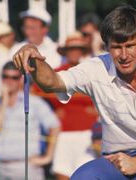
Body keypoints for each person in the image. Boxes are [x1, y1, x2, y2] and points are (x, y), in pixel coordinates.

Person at [13, 5, 136, 180]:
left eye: (130, 46)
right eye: (116, 47)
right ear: (106, 47)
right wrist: (32, 55)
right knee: (83, 177)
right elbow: (52, 82)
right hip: (117, 161)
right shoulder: (96, 67)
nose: (123, 55)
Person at [33, 31, 99, 180]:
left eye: (78, 48)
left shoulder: (90, 72)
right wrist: (51, 111)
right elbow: (35, 93)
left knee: (86, 174)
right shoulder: (56, 73)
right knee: (62, 174)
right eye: (71, 49)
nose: (74, 52)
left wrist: (98, 110)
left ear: (83, 51)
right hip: (62, 132)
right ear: (66, 51)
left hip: (87, 132)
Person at [0, 61, 60, 179]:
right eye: (5, 76)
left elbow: (54, 126)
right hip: (0, 166)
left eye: (14, 77)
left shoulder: (35, 103)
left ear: (21, 79)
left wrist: (48, 157)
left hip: (27, 166)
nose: (9, 81)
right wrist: (4, 102)